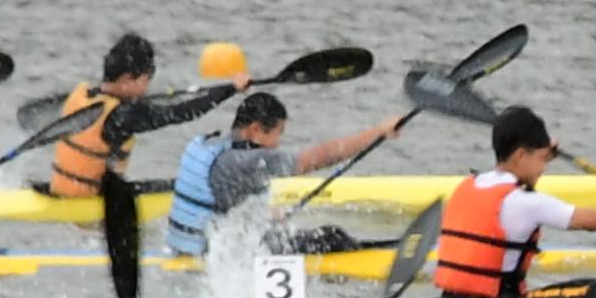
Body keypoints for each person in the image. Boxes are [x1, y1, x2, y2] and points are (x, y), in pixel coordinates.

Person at [430, 106, 596, 298]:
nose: (543, 168)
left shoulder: (469, 185)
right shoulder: (526, 202)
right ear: (520, 155)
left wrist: (539, 154)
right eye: (541, 160)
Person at [164, 87, 411, 257]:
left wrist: (267, 215)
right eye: (277, 134)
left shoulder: (208, 144)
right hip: (211, 254)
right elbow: (323, 155)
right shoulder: (248, 161)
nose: (278, 144)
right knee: (332, 237)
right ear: (255, 129)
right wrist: (379, 131)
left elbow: (223, 199)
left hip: (181, 245)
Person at [43, 33, 239, 200]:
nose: (147, 88)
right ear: (128, 79)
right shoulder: (124, 116)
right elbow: (181, 112)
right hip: (92, 198)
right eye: (146, 80)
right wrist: (231, 89)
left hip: (60, 189)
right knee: (186, 186)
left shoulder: (82, 95)